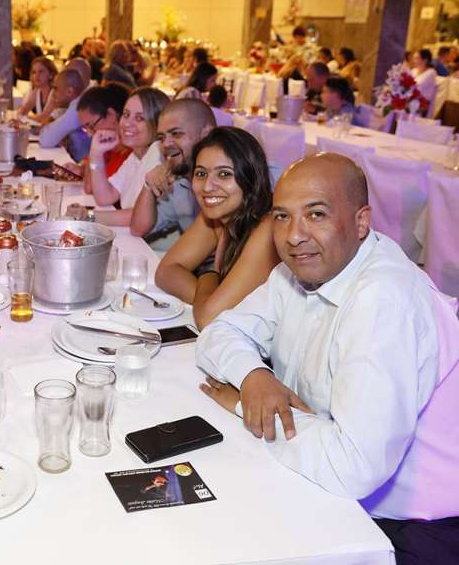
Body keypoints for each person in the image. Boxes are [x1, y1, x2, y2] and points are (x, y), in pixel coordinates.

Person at [196, 153, 459, 563]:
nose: (294, 235)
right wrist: (252, 376)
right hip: (327, 483)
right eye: (281, 217)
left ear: (360, 221)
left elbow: (354, 465)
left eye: (315, 214)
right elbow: (218, 332)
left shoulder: (381, 299)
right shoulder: (297, 270)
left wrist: (249, 405)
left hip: (410, 524)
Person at [154, 127, 277, 328]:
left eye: (224, 174)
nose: (208, 187)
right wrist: (212, 299)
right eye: (201, 173)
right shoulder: (219, 214)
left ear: (251, 177)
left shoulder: (267, 228)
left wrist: (210, 273)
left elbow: (207, 319)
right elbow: (166, 272)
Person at [131, 99, 215, 242]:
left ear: (206, 134)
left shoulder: (231, 181)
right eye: (161, 138)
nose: (166, 144)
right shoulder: (179, 184)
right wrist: (148, 185)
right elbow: (138, 229)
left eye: (176, 134)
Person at [88, 87, 169, 227]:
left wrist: (87, 217)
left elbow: (137, 216)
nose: (127, 123)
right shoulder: (136, 156)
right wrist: (96, 154)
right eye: (126, 115)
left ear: (157, 124)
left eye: (139, 118)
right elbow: (105, 197)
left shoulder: (157, 152)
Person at [52, 83, 131, 193]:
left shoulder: (129, 152)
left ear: (111, 115)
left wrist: (94, 151)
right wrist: (81, 168)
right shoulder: (111, 146)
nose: (89, 134)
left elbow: (89, 187)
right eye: (85, 128)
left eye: (91, 126)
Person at [37, 68, 90, 162]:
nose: (52, 93)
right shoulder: (76, 104)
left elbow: (45, 140)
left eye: (56, 88)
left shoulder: (78, 107)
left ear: (69, 91)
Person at [412, 48, 438, 113]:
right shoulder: (414, 70)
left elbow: (418, 88)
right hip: (412, 100)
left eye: (417, 58)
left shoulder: (431, 73)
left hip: (422, 104)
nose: (414, 61)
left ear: (425, 60)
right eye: (414, 58)